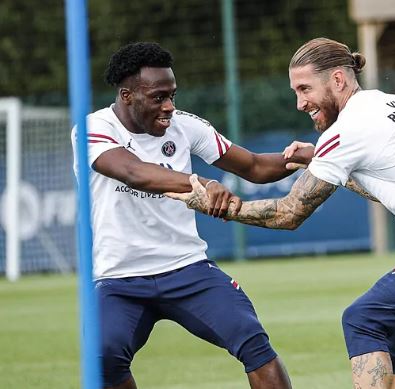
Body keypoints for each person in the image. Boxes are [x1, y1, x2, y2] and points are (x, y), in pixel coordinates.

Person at [167, 37, 395, 389]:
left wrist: (223, 207)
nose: (299, 103)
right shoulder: (388, 104)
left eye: (305, 89)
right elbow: (383, 187)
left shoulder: (348, 130)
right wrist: (319, 159)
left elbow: (288, 214)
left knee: (363, 319)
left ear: (338, 79)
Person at [71, 42, 312, 389]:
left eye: (172, 95)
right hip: (118, 277)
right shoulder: (93, 128)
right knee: (103, 358)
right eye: (158, 97)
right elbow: (135, 173)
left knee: (254, 342)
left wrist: (308, 156)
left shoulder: (185, 126)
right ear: (126, 96)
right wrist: (199, 182)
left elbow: (256, 167)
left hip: (187, 269)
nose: (169, 107)